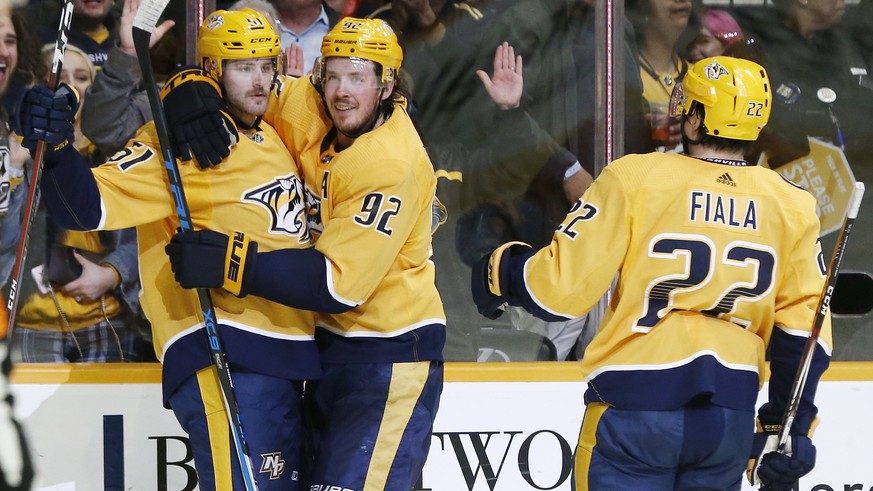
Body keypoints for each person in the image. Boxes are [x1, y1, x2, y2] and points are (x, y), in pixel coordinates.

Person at [471, 56, 830, 490]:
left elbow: (558, 289)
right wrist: (784, 426)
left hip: (634, 412)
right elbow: (805, 334)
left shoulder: (636, 176)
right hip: (726, 422)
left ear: (695, 121)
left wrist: (500, 269)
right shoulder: (792, 204)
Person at [16, 8, 319, 490]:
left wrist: (180, 86)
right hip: (225, 355)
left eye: (267, 65)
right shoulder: (176, 143)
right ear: (213, 71)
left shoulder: (273, 131)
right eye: (244, 67)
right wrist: (53, 150)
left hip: (285, 360)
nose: (260, 81)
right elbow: (85, 208)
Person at [162, 17, 444, 490]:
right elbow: (243, 88)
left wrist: (232, 264)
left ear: (387, 83)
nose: (341, 91)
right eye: (333, 75)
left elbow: (335, 284)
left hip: (388, 358)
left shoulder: (392, 161)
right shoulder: (308, 107)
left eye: (357, 77)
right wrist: (187, 86)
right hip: (323, 356)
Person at [0, 39, 145, 364]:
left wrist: (112, 272)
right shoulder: (13, 154)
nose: (69, 86)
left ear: (91, 92)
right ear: (37, 87)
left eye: (81, 77)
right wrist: (13, 168)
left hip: (107, 319)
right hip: (30, 323)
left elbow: (152, 234)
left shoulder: (117, 153)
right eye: (58, 75)